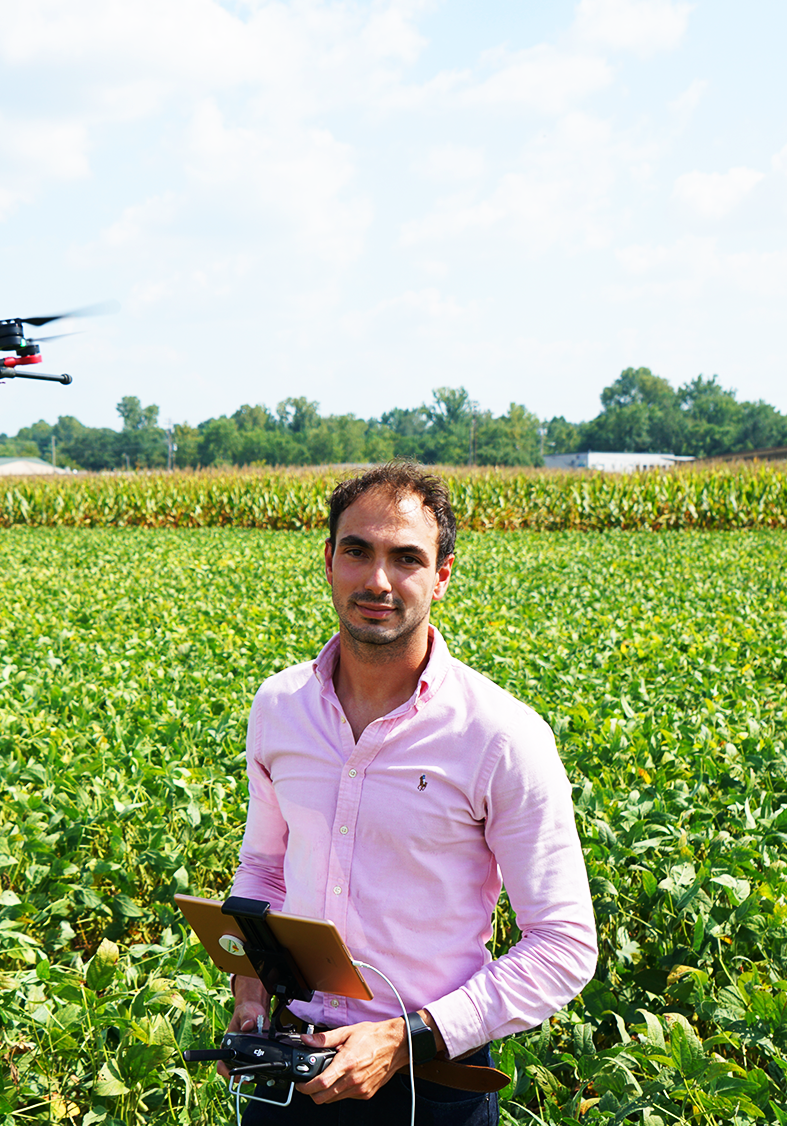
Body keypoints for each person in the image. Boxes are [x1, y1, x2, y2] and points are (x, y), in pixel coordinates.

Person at [222, 462, 597, 1124]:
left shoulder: (500, 736)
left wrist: (401, 1039)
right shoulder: (280, 706)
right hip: (290, 1065)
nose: (377, 581)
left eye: (406, 559)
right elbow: (265, 868)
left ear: (442, 576)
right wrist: (252, 989)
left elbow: (564, 943)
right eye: (358, 551)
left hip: (431, 1084)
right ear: (329, 561)